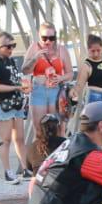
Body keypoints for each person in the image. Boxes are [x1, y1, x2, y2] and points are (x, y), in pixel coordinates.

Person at [0, 32, 30, 182]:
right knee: (5, 140)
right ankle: (8, 171)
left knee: (20, 138)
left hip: (16, 104)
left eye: (13, 46)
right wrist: (17, 88)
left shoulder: (10, 61)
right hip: (3, 105)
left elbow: (14, 80)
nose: (11, 49)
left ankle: (25, 169)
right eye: (8, 46)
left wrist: (20, 87)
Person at [23, 23, 71, 151]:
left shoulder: (61, 50)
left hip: (56, 92)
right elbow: (25, 70)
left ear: (55, 37)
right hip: (39, 90)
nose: (48, 41)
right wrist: (35, 58)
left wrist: (60, 78)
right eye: (44, 38)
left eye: (51, 38)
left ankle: (58, 160)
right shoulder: (34, 48)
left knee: (58, 130)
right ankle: (38, 163)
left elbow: (70, 73)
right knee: (39, 131)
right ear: (39, 36)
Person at [75, 34, 102, 105]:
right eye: (93, 51)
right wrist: (74, 93)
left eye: (98, 50)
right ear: (88, 50)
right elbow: (80, 85)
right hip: (96, 97)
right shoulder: (86, 65)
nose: (96, 54)